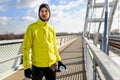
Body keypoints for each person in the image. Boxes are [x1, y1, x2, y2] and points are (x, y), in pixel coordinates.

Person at [22, 3, 66, 80]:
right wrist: (26, 67)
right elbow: (26, 48)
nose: (44, 13)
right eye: (41, 11)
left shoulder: (52, 29)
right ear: (39, 13)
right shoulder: (32, 28)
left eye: (46, 11)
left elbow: (54, 48)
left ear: (49, 13)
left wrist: (59, 61)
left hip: (52, 65)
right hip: (37, 67)